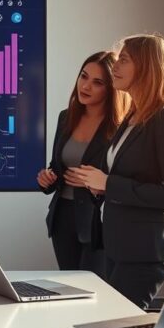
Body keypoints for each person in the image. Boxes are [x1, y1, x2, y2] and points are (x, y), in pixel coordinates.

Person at [69, 34, 164, 309]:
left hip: (147, 249)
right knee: (111, 324)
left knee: (116, 324)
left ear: (147, 66)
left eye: (124, 59)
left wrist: (109, 183)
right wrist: (99, 186)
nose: (115, 65)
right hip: (119, 244)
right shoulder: (133, 115)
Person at [37, 51, 127, 277]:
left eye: (97, 82)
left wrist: (94, 182)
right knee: (70, 287)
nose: (85, 86)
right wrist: (47, 179)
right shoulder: (65, 118)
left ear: (111, 88)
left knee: (93, 287)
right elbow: (57, 165)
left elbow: (124, 178)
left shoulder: (120, 127)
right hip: (62, 219)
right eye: (83, 76)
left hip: (98, 220)